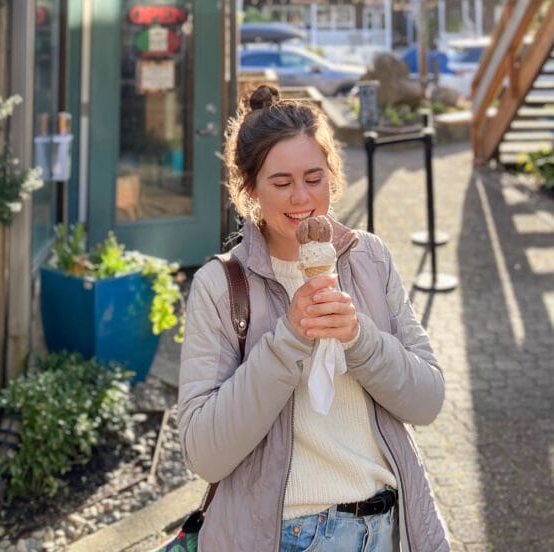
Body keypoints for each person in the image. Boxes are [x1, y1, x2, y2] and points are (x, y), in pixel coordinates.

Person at [178, 84, 449, 552]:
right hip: (286, 536)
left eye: (314, 177)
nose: (302, 197)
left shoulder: (371, 258)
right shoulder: (220, 287)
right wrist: (289, 340)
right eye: (281, 183)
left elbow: (427, 401)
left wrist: (360, 339)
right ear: (249, 190)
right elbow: (204, 453)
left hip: (390, 528)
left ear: (333, 175)